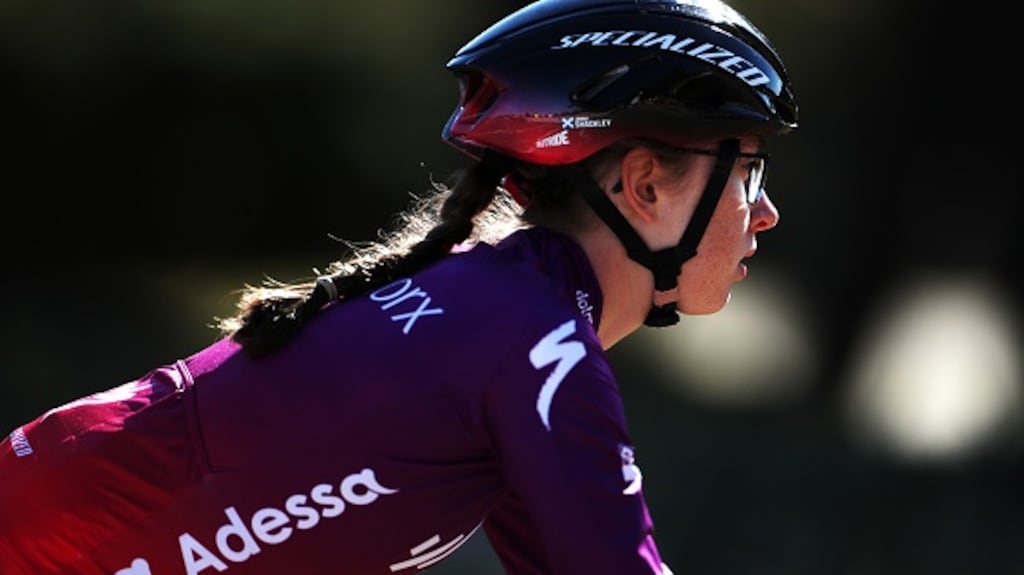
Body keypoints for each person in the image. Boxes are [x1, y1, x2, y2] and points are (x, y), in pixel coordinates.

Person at [0, 0, 798, 573]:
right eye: (748, 173)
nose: (763, 214)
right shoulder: (536, 343)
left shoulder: (504, 313)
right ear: (646, 185)